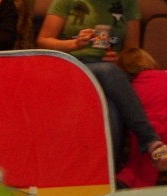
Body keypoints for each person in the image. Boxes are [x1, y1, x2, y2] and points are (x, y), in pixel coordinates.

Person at [36, 0, 167, 171]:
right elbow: (43, 40)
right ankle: (150, 140)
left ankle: (106, 175)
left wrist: (119, 57)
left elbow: (131, 48)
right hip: (72, 66)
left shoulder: (128, 4)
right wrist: (73, 44)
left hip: (112, 74)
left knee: (111, 107)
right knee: (108, 71)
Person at [115, 47, 167, 188]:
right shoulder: (164, 75)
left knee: (139, 165)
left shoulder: (129, 87)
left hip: (150, 129)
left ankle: (125, 185)